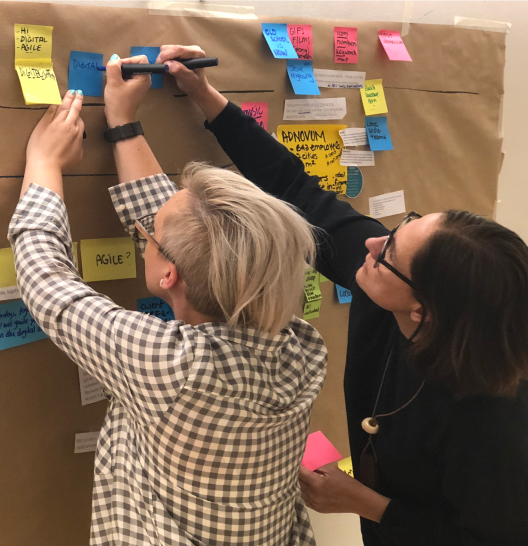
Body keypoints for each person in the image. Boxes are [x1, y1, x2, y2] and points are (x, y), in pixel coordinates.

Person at [156, 44, 528, 545]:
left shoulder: (493, 411)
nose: (372, 244)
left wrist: (368, 505)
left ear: (422, 310)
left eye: (390, 252)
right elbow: (301, 193)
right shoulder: (385, 286)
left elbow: (493, 535)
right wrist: (207, 99)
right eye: (401, 227)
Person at [8, 55, 328, 545]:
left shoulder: (169, 364)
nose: (145, 230)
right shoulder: (303, 348)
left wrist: (44, 162)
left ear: (168, 273)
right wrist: (123, 123)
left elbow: (47, 283)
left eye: (149, 236)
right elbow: (196, 244)